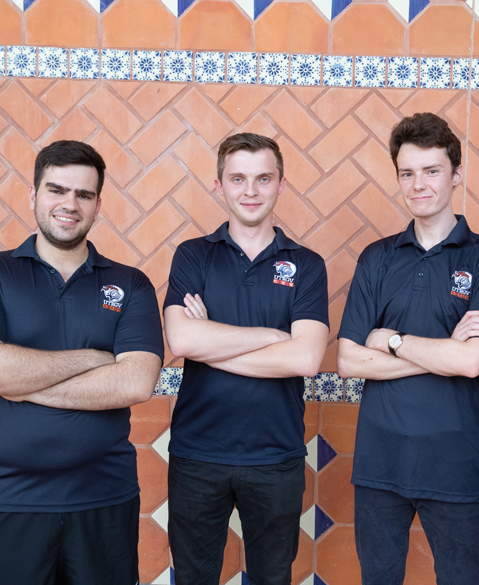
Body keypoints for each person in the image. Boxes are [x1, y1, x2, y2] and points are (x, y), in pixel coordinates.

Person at [0, 140, 163, 584]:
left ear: (98, 205)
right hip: (4, 499)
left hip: (103, 499)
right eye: (56, 190)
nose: (70, 204)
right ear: (33, 196)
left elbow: (136, 383)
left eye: (84, 195)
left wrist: (19, 382)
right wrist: (92, 359)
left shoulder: (130, 284)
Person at [336, 112, 479, 584]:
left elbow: (472, 359)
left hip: (456, 468)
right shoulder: (377, 258)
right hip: (379, 466)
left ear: (456, 175)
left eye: (431, 171)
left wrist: (391, 341)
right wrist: (443, 355)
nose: (419, 184)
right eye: (407, 173)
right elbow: (349, 361)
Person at [163, 133, 330, 585]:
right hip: (197, 454)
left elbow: (307, 358)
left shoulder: (307, 264)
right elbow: (180, 341)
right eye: (237, 179)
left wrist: (212, 340)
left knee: (271, 579)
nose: (250, 191)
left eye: (262, 179)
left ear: (281, 185)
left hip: (276, 456)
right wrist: (271, 336)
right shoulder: (193, 256)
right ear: (219, 185)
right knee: (195, 578)